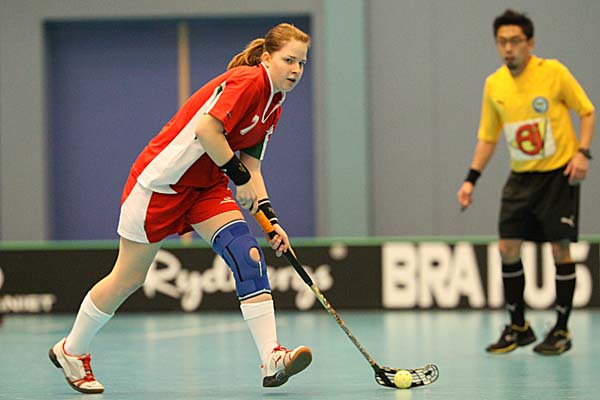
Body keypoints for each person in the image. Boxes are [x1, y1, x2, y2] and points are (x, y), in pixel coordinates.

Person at [48, 23, 313, 394]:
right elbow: (207, 131)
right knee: (128, 278)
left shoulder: (275, 104)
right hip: (160, 186)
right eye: (289, 60)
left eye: (302, 63)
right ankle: (71, 350)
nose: (296, 70)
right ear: (267, 58)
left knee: (248, 254)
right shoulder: (248, 82)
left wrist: (270, 220)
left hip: (206, 189)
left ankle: (271, 356)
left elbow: (251, 168)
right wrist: (238, 178)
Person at [457, 9, 595, 355]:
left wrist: (582, 153)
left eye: (515, 41)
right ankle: (518, 327)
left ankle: (561, 330)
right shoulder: (495, 85)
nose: (508, 48)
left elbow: (587, 111)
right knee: (507, 247)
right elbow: (488, 137)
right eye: (501, 41)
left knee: (560, 249)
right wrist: (471, 180)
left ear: (529, 43)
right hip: (521, 178)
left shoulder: (553, 72)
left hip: (558, 174)